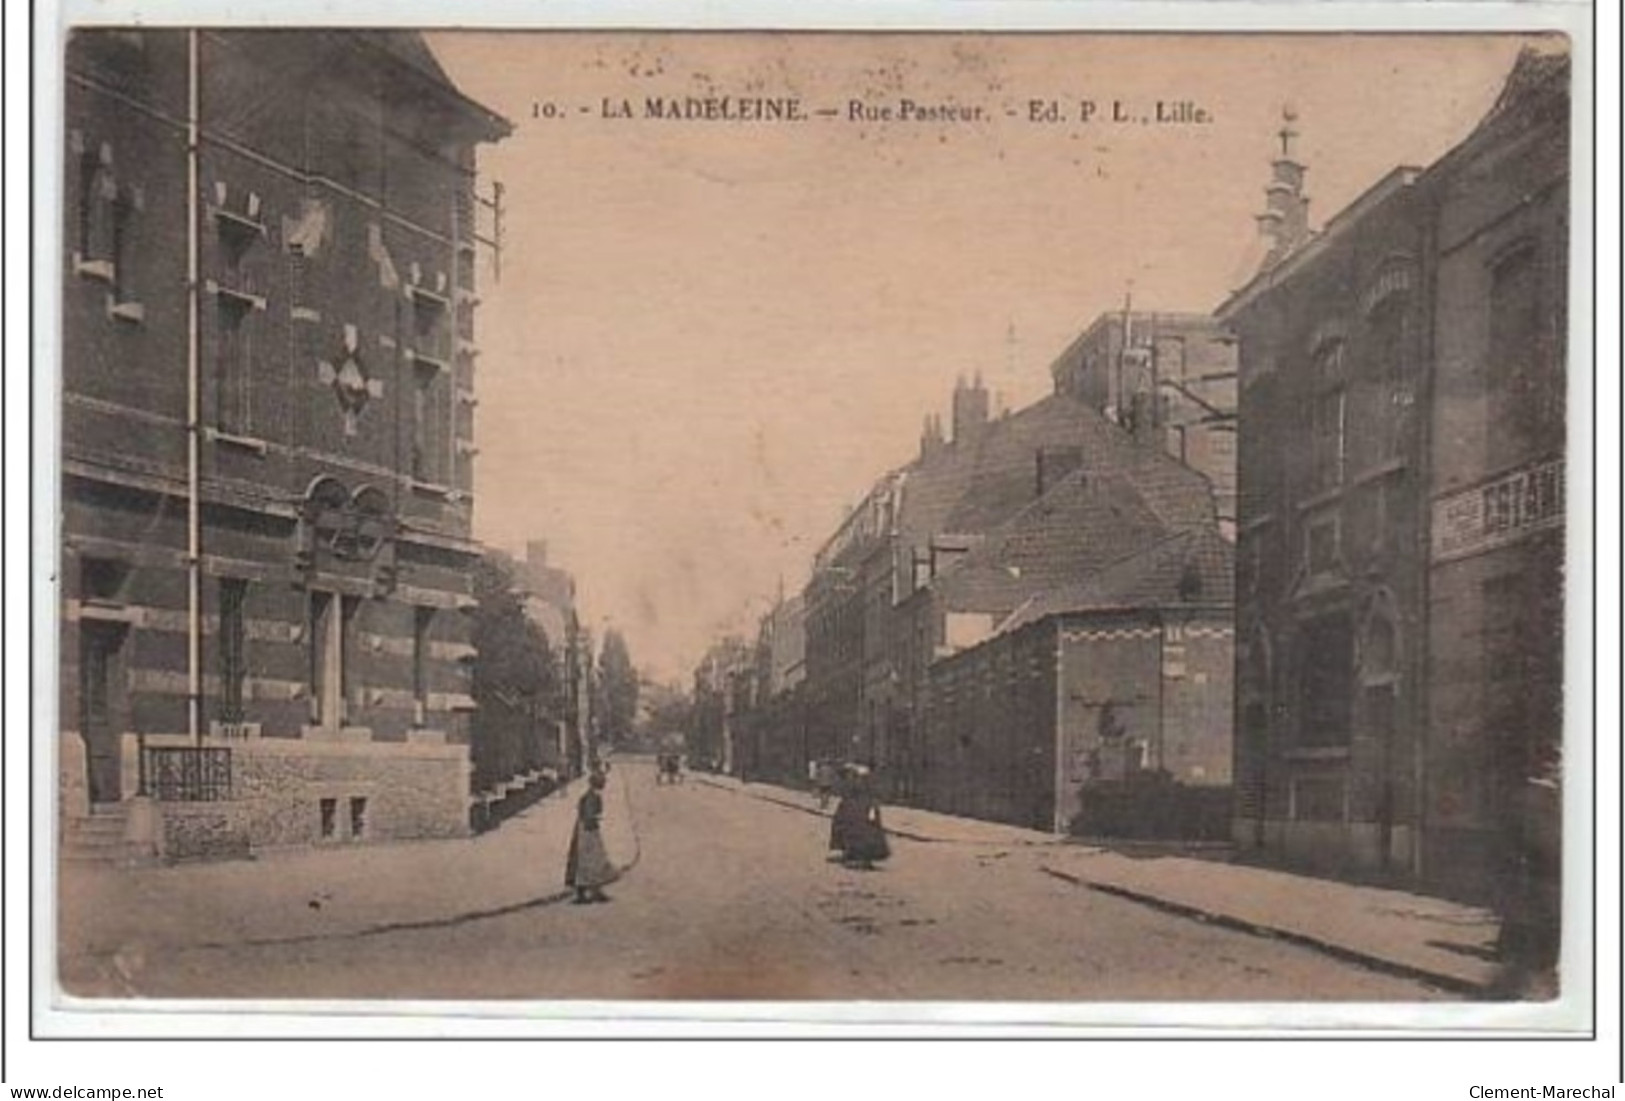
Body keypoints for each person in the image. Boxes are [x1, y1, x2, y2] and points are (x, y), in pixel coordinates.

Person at [565, 771, 616, 903]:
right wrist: (594, 819)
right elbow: (588, 815)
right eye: (602, 782)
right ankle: (585, 892)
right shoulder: (592, 797)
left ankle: (594, 891)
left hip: (586, 829)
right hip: (587, 831)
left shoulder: (591, 795)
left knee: (593, 861)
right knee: (588, 861)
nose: (604, 784)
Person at [828, 766, 889, 870]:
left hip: (859, 809)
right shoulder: (865, 784)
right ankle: (855, 854)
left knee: (860, 832)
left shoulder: (857, 784)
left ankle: (859, 856)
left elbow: (848, 793)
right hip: (860, 808)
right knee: (861, 832)